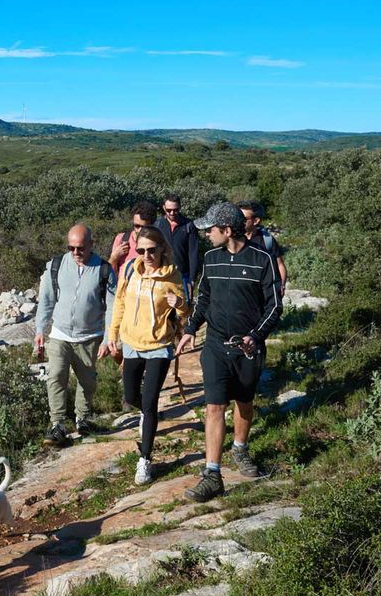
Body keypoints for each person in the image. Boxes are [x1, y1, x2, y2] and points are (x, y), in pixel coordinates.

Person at [175, 202, 282, 502]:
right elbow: (204, 299)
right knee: (214, 407)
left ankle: (240, 448)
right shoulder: (210, 259)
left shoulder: (263, 260)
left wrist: (255, 336)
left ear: (227, 230)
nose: (206, 234)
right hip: (215, 346)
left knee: (244, 403)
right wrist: (190, 329)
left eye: (211, 229)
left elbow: (274, 307)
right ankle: (212, 475)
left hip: (248, 349)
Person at [106, 226, 188, 485]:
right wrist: (113, 335)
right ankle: (148, 415)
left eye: (151, 250)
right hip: (131, 342)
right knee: (131, 396)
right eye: (141, 250)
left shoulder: (172, 276)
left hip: (159, 345)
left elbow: (186, 315)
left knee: (150, 401)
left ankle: (145, 459)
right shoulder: (130, 269)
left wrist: (182, 305)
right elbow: (119, 302)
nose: (146, 255)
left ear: (162, 248)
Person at [35, 224, 117, 447]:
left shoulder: (104, 270)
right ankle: (58, 425)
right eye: (71, 248)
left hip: (89, 336)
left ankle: (83, 419)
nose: (75, 253)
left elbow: (112, 306)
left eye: (80, 248)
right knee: (56, 377)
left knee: (87, 381)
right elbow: (47, 300)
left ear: (91, 244)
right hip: (60, 333)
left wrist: (110, 338)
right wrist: (40, 330)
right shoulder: (57, 265)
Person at [155, 194, 201, 303]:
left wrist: (192, 280)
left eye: (175, 210)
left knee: (183, 311)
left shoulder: (189, 225)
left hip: (183, 276)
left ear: (180, 207)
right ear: (163, 208)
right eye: (169, 210)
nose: (172, 213)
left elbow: (193, 253)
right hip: (162, 274)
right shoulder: (157, 225)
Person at [237, 200, 288, 297]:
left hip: (262, 293)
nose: (238, 221)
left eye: (243, 218)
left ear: (256, 221)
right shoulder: (232, 239)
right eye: (237, 217)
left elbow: (280, 265)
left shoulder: (267, 240)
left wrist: (281, 286)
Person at [109, 201, 159, 275]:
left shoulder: (157, 243)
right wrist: (114, 257)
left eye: (144, 227)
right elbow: (110, 275)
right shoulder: (121, 239)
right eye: (137, 226)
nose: (139, 231)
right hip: (123, 285)